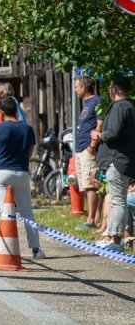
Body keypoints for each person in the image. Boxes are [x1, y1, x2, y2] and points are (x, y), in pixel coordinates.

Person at [0, 96, 44, 259]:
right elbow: (29, 152)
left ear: (1, 112)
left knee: (6, 213)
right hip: (21, 171)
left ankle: (7, 249)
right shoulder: (27, 129)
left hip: (1, 172)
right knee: (27, 212)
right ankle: (36, 249)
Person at [91, 77, 135, 251]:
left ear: (114, 90)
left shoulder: (119, 107)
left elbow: (112, 132)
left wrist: (98, 136)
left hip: (116, 160)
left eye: (110, 88)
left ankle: (115, 240)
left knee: (117, 200)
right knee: (119, 199)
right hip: (125, 160)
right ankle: (112, 236)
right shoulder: (131, 107)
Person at [74, 76, 103, 229]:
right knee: (86, 185)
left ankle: (91, 220)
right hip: (81, 149)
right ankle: (95, 218)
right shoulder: (86, 104)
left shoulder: (97, 101)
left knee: (91, 184)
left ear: (84, 88)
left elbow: (100, 124)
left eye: (76, 86)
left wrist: (92, 146)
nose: (75, 89)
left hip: (89, 148)